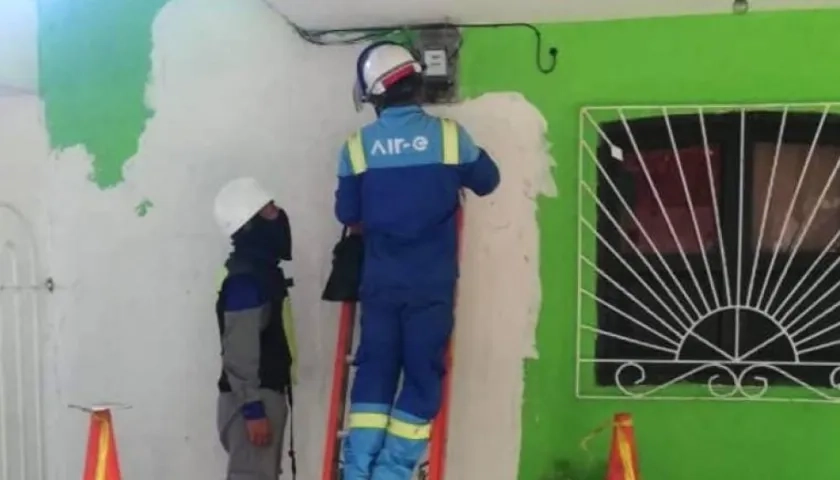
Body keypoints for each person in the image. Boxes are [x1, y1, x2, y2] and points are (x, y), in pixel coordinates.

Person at [335, 41, 501, 480]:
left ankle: (357, 470)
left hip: (381, 283)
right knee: (422, 375)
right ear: (415, 83)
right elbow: (488, 181)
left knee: (374, 370)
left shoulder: (356, 147)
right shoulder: (449, 136)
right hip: (430, 284)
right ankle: (392, 472)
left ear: (375, 95)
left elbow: (347, 215)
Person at [213, 177, 298, 480]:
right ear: (250, 224)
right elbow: (240, 351)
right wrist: (253, 410)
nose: (279, 215)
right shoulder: (246, 282)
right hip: (253, 400)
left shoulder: (259, 274)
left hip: (262, 396)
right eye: (270, 209)